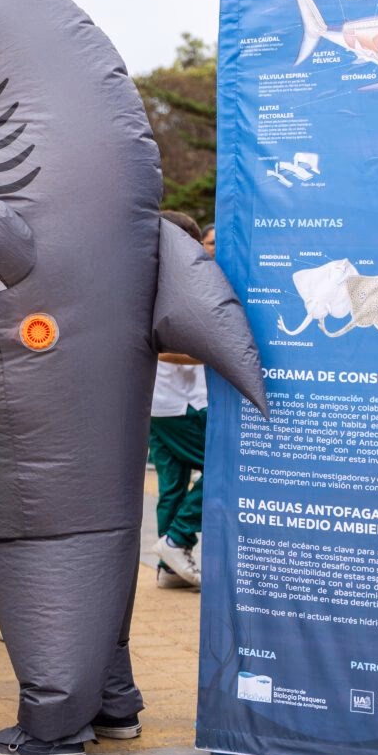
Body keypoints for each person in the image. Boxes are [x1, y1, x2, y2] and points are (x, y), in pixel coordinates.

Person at [150, 212, 210, 588]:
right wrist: (214, 353)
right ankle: (177, 540)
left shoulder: (147, 277)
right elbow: (162, 346)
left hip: (158, 405)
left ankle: (170, 570)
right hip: (179, 403)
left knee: (171, 486)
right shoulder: (176, 281)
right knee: (224, 468)